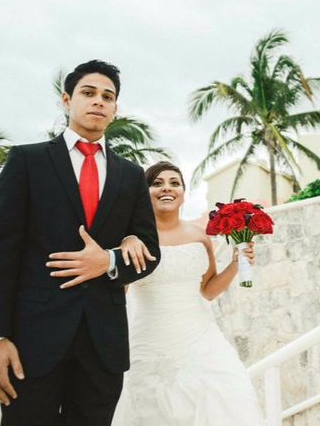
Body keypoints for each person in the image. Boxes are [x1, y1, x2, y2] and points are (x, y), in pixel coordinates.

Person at [0, 60, 161, 425]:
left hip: (103, 345)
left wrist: (107, 261)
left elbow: (149, 253)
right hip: (31, 344)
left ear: (115, 109)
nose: (98, 102)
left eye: (108, 97)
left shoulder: (131, 175)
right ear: (67, 99)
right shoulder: (26, 161)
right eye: (88, 93)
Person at [113, 161, 265, 426]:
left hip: (201, 338)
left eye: (174, 183)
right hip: (149, 340)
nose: (166, 189)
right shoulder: (132, 239)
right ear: (144, 192)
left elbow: (207, 290)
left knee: (227, 398)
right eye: (157, 183)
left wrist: (236, 263)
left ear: (183, 192)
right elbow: (117, 291)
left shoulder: (200, 235)